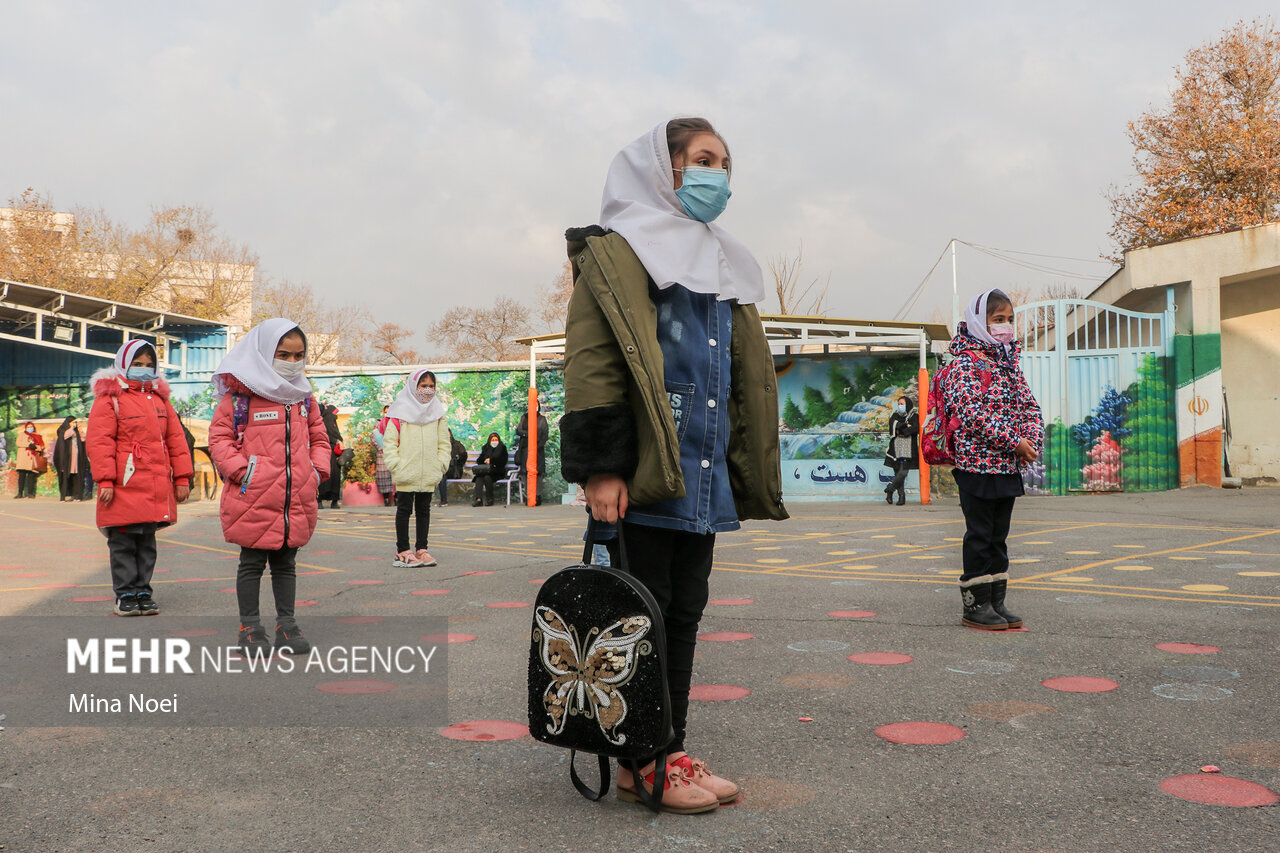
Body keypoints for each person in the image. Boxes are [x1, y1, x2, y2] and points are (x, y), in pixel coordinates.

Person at [560, 117, 788, 813]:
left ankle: (668, 746)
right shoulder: (620, 251)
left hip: (703, 473)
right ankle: (641, 758)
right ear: (664, 168)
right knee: (642, 612)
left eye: (724, 163)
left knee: (683, 611)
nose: (716, 174)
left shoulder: (721, 258)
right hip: (645, 469)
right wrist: (601, 467)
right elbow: (594, 361)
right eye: (701, 159)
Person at [208, 318, 330, 656]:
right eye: (283, 354)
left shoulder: (304, 398)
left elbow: (320, 438)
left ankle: (286, 626)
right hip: (254, 495)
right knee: (251, 563)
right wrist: (242, 472)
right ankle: (250, 628)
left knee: (286, 563)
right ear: (264, 353)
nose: (292, 362)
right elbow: (220, 439)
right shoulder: (241, 397)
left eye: (298, 355)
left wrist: (316, 472)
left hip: (295, 497)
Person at [942, 289, 1044, 631]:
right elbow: (971, 412)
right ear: (978, 323)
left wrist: (1031, 441)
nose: (1006, 327)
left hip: (1006, 465)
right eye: (998, 320)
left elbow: (1030, 407)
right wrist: (1014, 441)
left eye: (1009, 320)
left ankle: (996, 602)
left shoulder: (1007, 362)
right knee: (980, 535)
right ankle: (975, 605)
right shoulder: (963, 363)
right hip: (976, 466)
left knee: (999, 536)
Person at [87, 340, 194, 616]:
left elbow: (176, 440)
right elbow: (100, 442)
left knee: (147, 542)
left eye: (149, 365)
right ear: (123, 364)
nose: (144, 370)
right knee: (123, 542)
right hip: (124, 484)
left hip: (155, 484)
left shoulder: (160, 400)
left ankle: (143, 591)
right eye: (137, 364)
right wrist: (106, 481)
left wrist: (182, 478)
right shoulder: (109, 399)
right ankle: (125, 594)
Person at [382, 369, 451, 567]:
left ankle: (422, 550)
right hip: (406, 473)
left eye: (431, 386)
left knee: (424, 511)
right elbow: (389, 443)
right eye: (423, 386)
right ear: (414, 387)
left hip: (428, 473)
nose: (427, 391)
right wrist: (396, 466)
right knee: (404, 511)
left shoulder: (437, 414)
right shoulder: (398, 413)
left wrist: (440, 465)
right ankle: (402, 552)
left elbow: (444, 443)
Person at [882, 397, 919, 506]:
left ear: (907, 404)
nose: (900, 406)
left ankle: (890, 489)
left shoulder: (914, 416)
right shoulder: (895, 415)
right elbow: (892, 426)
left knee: (903, 472)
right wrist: (904, 426)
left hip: (908, 450)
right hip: (895, 449)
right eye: (899, 404)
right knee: (897, 472)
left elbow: (915, 429)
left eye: (902, 404)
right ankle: (901, 497)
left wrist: (903, 430)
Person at [515, 399, 550, 505]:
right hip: (525, 449)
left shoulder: (541, 419)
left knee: (537, 472)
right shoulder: (524, 418)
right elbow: (519, 430)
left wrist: (538, 445)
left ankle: (537, 495)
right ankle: (529, 495)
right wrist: (530, 433)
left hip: (538, 449)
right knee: (526, 472)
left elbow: (544, 435)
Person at [53, 417, 90, 501]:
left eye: (75, 422)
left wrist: (80, 430)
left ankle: (77, 495)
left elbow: (83, 440)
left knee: (77, 476)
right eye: (73, 422)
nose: (74, 423)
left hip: (76, 458)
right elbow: (64, 436)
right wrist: (72, 428)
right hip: (66, 459)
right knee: (65, 476)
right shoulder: (62, 429)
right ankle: (63, 496)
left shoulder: (76, 430)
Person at [317, 402, 345, 509]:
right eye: (334, 413)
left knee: (335, 478)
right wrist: (337, 441)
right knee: (324, 476)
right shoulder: (322, 424)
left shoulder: (332, 423)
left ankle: (334, 500)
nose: (335, 416)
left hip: (334, 456)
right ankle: (319, 500)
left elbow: (337, 435)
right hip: (325, 454)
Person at [472, 432, 507, 507]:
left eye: (496, 440)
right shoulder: (486, 448)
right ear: (489, 440)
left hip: (497, 472)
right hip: (486, 471)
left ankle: (490, 499)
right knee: (479, 478)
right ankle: (478, 500)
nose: (494, 441)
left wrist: (492, 461)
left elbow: (503, 461)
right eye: (492, 440)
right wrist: (485, 460)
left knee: (487, 478)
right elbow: (479, 460)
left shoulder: (502, 448)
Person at [437, 428, 468, 507]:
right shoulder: (439, 445)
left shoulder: (457, 444)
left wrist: (457, 459)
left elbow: (464, 455)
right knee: (442, 476)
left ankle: (443, 501)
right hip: (443, 470)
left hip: (455, 470)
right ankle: (443, 500)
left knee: (442, 474)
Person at [14, 421, 45, 499]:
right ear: (26, 427)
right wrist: (28, 445)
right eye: (28, 427)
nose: (30, 428)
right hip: (23, 458)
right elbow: (18, 443)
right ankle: (20, 493)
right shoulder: (21, 435)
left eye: (31, 427)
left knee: (31, 477)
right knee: (21, 476)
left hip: (32, 459)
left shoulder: (37, 436)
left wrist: (36, 447)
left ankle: (30, 493)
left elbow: (42, 446)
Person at [374, 404, 394, 506]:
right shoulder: (379, 423)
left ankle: (397, 498)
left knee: (395, 475)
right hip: (382, 453)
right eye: (386, 412)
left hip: (395, 452)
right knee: (383, 476)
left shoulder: (396, 422)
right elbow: (373, 437)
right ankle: (386, 499)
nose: (387, 413)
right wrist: (380, 448)